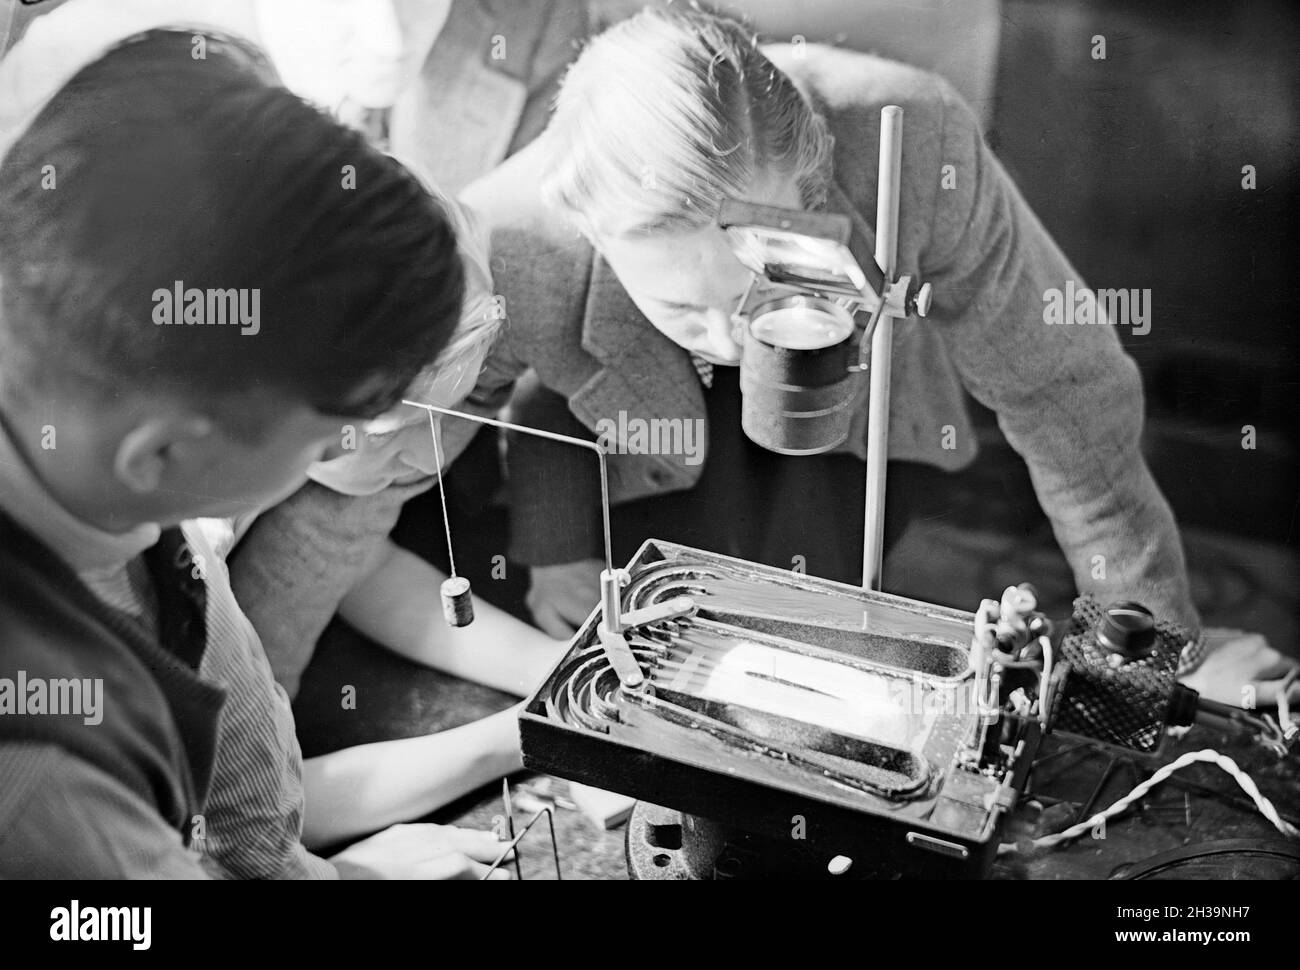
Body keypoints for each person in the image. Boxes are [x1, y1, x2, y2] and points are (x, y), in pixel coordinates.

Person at [457, 6, 1202, 641]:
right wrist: (555, 552)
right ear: (587, 230)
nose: (727, 341)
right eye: (685, 309)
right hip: (640, 467)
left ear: (808, 187)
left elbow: (1063, 388)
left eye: (755, 290)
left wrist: (1146, 646)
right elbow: (495, 417)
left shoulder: (919, 142)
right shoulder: (509, 242)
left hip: (849, 442)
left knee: (822, 619)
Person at [0, 18, 504, 878]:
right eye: (332, 433)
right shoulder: (48, 795)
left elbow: (251, 811)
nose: (389, 462)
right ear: (164, 455)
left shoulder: (135, 490)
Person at [221, 189, 565, 848]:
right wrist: (524, 736)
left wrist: (556, 671)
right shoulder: (171, 546)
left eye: (449, 412)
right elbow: (240, 812)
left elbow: (363, 570)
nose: (431, 456)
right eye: (389, 429)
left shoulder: (274, 430)